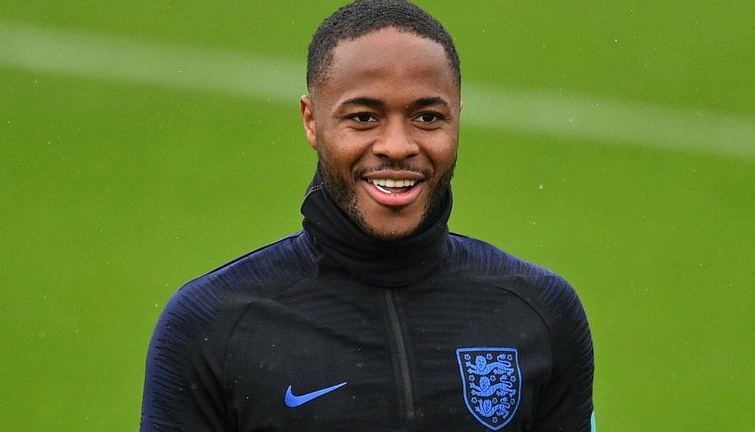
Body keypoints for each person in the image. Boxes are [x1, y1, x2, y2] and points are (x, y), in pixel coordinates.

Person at [140, 1, 595, 431]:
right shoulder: (211, 325)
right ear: (311, 121)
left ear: (458, 118)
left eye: (428, 118)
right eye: (363, 117)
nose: (397, 146)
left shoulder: (540, 314)